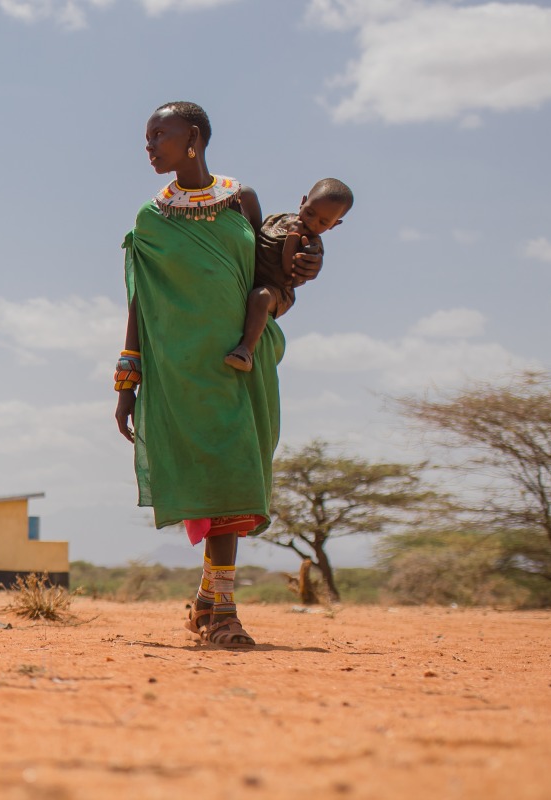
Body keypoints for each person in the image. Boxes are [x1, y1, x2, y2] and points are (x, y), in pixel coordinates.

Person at [113, 101, 323, 647]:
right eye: (146, 136)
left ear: (194, 137)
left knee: (235, 476)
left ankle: (210, 601)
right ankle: (221, 611)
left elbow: (269, 280)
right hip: (180, 370)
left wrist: (303, 268)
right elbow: (139, 303)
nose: (149, 145)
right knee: (215, 480)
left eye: (160, 134)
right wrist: (128, 378)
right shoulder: (150, 219)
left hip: (240, 360)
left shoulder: (242, 201)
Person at [225, 179, 354, 371]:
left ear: (334, 225)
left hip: (277, 290)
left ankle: (245, 350)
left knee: (260, 297)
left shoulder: (311, 243)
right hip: (250, 274)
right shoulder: (277, 219)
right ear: (303, 202)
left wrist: (293, 237)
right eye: (310, 212)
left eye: (323, 222)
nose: (312, 222)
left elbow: (288, 269)